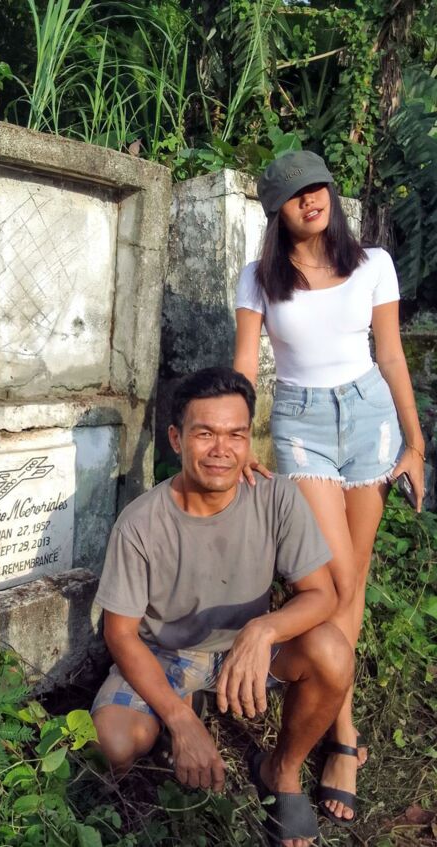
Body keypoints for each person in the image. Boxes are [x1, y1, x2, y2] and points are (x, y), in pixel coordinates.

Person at [233, 150, 425, 827]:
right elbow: (245, 365)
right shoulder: (259, 278)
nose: (311, 199)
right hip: (301, 424)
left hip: (371, 416)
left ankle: (340, 736)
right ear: (276, 211)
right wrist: (239, 437)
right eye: (295, 194)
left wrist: (416, 442)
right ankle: (341, 732)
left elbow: (391, 353)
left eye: (318, 186)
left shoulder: (372, 264)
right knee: (333, 579)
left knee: (357, 576)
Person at [91, 367, 354, 847]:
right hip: (167, 653)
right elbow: (120, 634)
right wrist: (179, 719)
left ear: (249, 440)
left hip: (250, 648)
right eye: (205, 434)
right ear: (176, 438)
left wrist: (262, 630)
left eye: (236, 435)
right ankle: (183, 711)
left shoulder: (275, 496)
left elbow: (322, 594)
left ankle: (282, 771)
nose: (222, 449)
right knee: (115, 743)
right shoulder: (141, 523)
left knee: (332, 652)